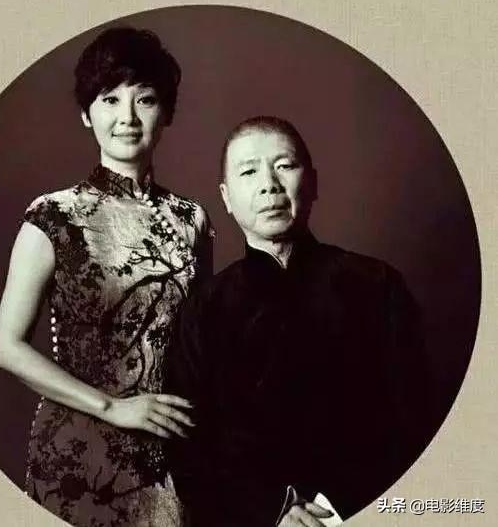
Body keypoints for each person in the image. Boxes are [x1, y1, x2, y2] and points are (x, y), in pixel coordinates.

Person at [0, 27, 213, 527]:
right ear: (86, 114)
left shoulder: (192, 219)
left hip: (170, 455)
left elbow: (201, 344)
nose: (127, 117)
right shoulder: (54, 215)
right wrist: (113, 407)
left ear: (167, 113)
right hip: (79, 454)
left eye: (145, 99)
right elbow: (6, 346)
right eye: (110, 99)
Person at [165, 116, 432, 526]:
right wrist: (272, 511)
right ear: (226, 197)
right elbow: (188, 447)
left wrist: (337, 508)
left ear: (313, 183)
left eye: (284, 166)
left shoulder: (378, 285)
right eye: (249, 172)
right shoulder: (203, 308)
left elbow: (416, 419)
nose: (269, 185)